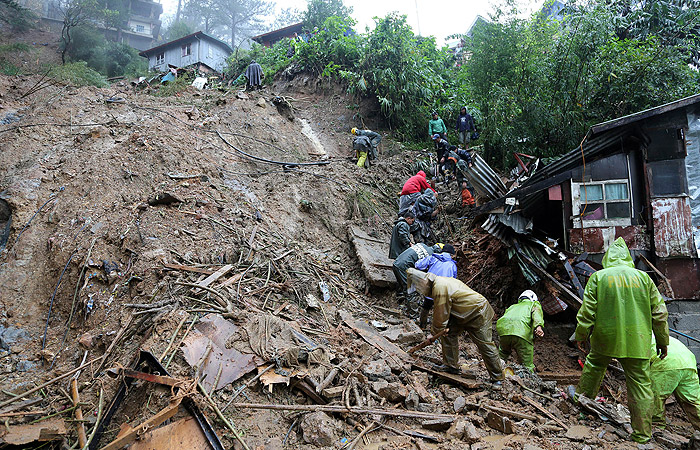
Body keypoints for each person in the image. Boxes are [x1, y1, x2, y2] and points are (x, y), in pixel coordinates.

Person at [574, 237, 669, 444]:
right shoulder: (644, 278)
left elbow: (587, 311)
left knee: (594, 366)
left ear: (608, 258)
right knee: (640, 385)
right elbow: (659, 313)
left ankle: (579, 405)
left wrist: (581, 335)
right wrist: (663, 341)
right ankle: (642, 435)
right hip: (638, 341)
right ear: (627, 258)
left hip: (605, 339)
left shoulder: (598, 277)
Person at [407, 268, 505, 384]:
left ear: (423, 282)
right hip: (461, 312)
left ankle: (497, 378)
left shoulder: (440, 288)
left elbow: (440, 315)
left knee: (484, 344)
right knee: (448, 333)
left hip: (478, 312)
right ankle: (451, 365)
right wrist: (438, 331)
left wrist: (433, 334)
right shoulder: (441, 282)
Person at [650, 336, 700, 431]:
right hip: (688, 362)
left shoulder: (639, 336)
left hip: (666, 362)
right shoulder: (659, 334)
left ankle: (656, 427)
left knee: (655, 398)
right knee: (694, 403)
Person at [496, 290, 544, 372]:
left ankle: (495, 372)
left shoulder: (512, 306)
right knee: (527, 364)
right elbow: (537, 314)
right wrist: (538, 326)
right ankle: (530, 380)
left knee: (502, 355)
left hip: (504, 333)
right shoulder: (533, 304)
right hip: (522, 333)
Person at [415, 244, 457, 328]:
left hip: (430, 287)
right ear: (451, 255)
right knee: (439, 310)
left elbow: (418, 265)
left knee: (426, 306)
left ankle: (422, 325)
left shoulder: (433, 258)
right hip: (443, 290)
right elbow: (453, 281)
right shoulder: (452, 265)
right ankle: (436, 331)